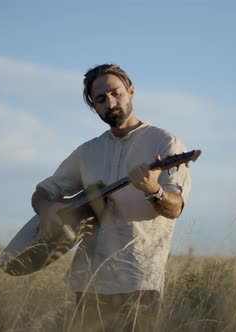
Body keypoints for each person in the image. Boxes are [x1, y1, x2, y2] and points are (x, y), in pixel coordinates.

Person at [31, 64, 192, 331]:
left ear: (131, 91)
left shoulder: (165, 143)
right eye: (101, 99)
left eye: (116, 93)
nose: (111, 102)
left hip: (139, 280)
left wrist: (154, 189)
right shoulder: (88, 151)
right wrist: (46, 209)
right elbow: (44, 190)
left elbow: (175, 208)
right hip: (87, 280)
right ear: (94, 106)